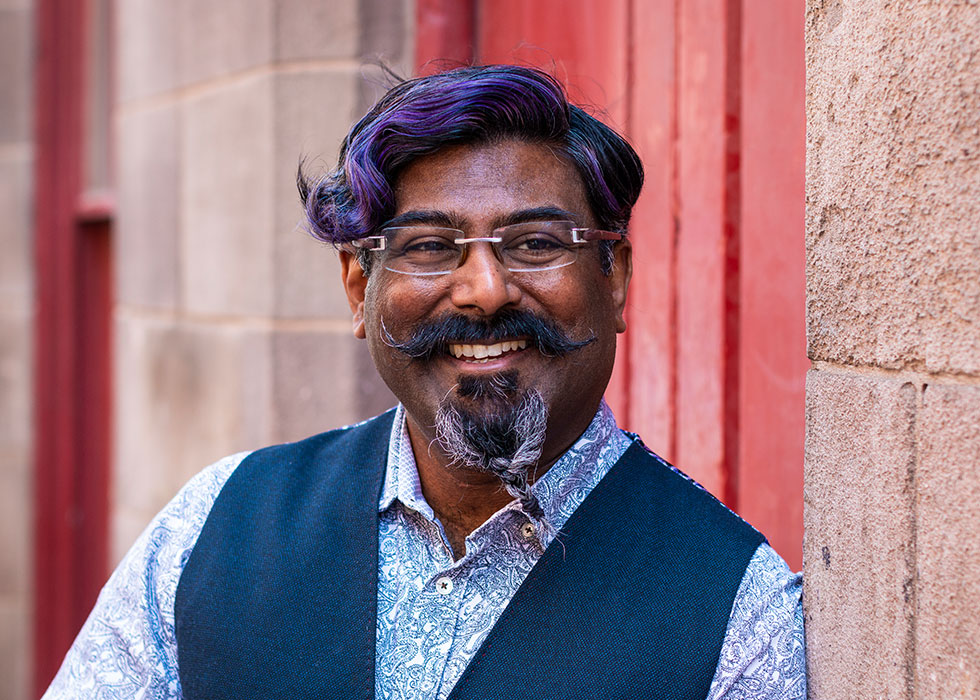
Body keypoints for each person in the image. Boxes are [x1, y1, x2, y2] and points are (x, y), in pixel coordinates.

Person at [44, 65, 804, 700]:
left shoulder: (737, 613)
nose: (483, 290)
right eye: (430, 247)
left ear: (616, 282)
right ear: (357, 287)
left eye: (537, 242)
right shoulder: (212, 529)